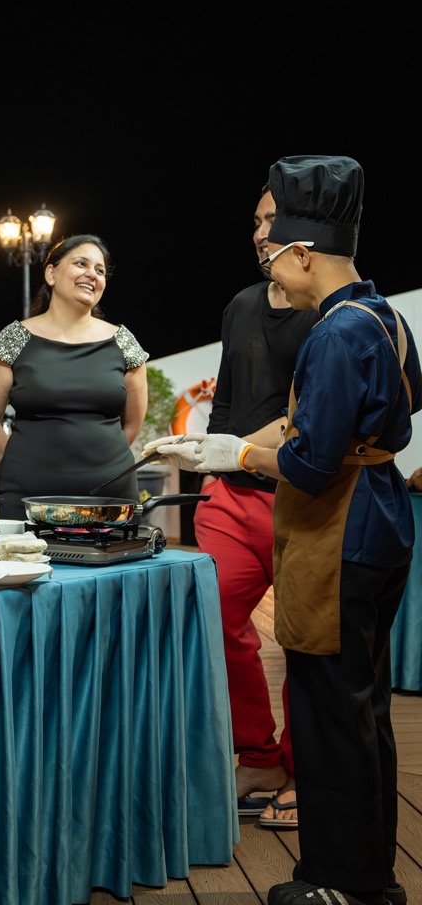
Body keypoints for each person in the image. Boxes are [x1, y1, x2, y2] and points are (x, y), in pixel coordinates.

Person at [149, 155, 418, 905]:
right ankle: (374, 879)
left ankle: (340, 882)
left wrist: (233, 450)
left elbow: (308, 460)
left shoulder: (332, 334)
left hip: (339, 531)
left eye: (279, 255)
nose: (274, 269)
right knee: (365, 711)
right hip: (385, 517)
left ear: (304, 253)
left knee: (329, 714)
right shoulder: (385, 316)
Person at [196, 182, 321, 825]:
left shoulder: (335, 310)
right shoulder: (242, 304)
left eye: (270, 220)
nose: (257, 231)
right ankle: (257, 753)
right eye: (255, 220)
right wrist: (215, 465)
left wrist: (229, 450)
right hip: (231, 498)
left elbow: (315, 417)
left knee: (304, 639)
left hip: (303, 498)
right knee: (212, 619)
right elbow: (225, 398)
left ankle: (304, 771)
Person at [0, 234, 149, 521]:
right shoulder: (15, 338)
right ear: (51, 273)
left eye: (100, 270)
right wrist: (21, 463)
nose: (92, 274)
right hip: (28, 496)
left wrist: (100, 463)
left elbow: (132, 423)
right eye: (81, 264)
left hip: (109, 497)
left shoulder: (124, 342)